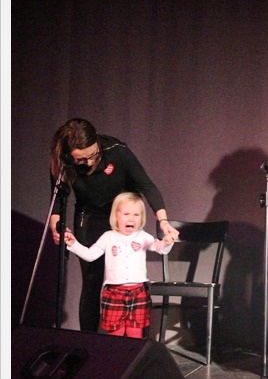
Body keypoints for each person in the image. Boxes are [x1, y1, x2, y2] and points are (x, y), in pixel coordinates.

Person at [49, 118, 180, 332]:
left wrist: (163, 221)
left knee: (125, 280)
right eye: (81, 159)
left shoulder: (116, 151)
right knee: (91, 283)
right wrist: (57, 227)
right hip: (89, 218)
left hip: (122, 217)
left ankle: (128, 342)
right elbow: (56, 199)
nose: (89, 162)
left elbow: (147, 186)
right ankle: (88, 341)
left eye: (93, 155)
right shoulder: (63, 161)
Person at [63, 192, 175, 338]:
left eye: (136, 215)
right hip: (114, 293)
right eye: (126, 214)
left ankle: (133, 353)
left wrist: (167, 242)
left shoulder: (142, 236)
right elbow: (90, 255)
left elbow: (160, 248)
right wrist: (73, 243)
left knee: (135, 336)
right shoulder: (108, 237)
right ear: (116, 216)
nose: (131, 219)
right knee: (115, 337)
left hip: (138, 292)